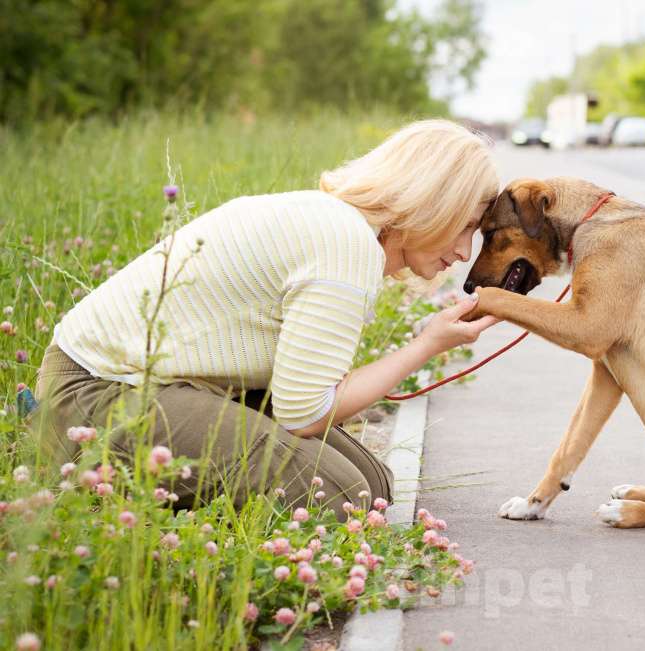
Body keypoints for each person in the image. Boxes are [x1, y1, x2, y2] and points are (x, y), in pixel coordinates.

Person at [28, 119, 500, 518]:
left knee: (372, 483)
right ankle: (98, 487)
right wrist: (427, 346)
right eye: (463, 226)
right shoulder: (345, 242)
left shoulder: (340, 225)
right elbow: (307, 413)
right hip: (95, 396)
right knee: (344, 497)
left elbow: (302, 395)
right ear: (431, 201)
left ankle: (154, 489)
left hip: (158, 385)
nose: (463, 252)